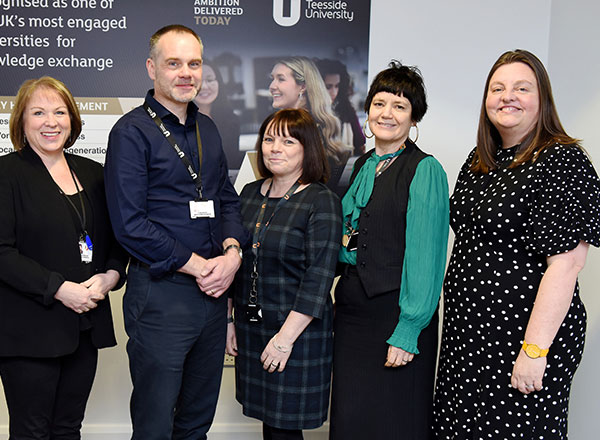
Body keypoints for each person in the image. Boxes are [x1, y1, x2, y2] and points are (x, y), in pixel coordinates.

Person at [433, 50, 600, 440]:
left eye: (522, 88)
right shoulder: (480, 160)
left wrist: (534, 351)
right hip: (467, 337)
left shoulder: (562, 160)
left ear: (542, 100)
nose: (507, 96)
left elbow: (567, 265)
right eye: (498, 88)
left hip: (521, 339)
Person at [104, 24, 248, 440]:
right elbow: (130, 225)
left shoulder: (208, 129)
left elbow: (226, 200)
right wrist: (201, 266)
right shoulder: (131, 132)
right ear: (152, 69)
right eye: (174, 63)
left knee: (196, 420)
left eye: (194, 64)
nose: (186, 73)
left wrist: (233, 253)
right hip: (161, 294)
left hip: (213, 295)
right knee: (155, 422)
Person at [0, 76, 128, 439]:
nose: (51, 122)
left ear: (72, 119)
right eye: (38, 113)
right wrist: (59, 288)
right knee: (32, 431)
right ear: (22, 121)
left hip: (84, 324)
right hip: (27, 327)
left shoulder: (93, 173)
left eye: (59, 112)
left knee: (68, 428)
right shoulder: (1, 172)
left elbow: (117, 240)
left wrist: (111, 276)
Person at [329, 61, 449, 439]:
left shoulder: (425, 169)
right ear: (368, 110)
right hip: (352, 311)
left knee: (394, 419)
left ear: (414, 118)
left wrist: (408, 329)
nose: (387, 113)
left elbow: (426, 258)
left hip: (395, 314)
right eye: (380, 103)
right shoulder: (363, 164)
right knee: (351, 418)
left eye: (399, 106)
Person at [227, 109, 339, 439]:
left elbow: (319, 278)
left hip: (297, 332)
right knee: (270, 423)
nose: (275, 148)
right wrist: (229, 320)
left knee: (284, 426)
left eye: (288, 141)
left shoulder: (321, 200)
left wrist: (283, 340)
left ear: (308, 148)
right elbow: (233, 260)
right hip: (253, 326)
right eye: (269, 139)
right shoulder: (249, 193)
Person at [268, 56, 352, 197]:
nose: (272, 86)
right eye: (272, 79)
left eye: (281, 79)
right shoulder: (312, 125)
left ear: (302, 87)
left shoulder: (305, 129)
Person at [195, 61, 244, 180]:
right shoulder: (177, 119)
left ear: (219, 84)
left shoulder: (231, 120)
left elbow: (231, 161)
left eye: (210, 80)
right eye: (198, 81)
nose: (204, 86)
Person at [316, 58, 367, 155]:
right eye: (328, 87)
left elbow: (360, 143)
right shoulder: (308, 112)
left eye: (337, 86)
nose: (334, 92)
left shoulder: (347, 111)